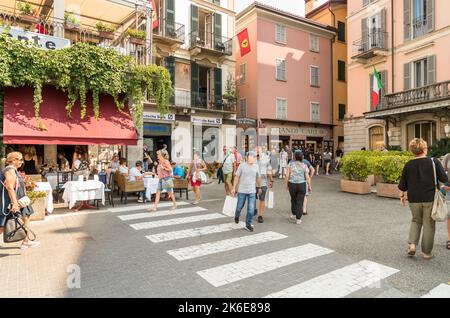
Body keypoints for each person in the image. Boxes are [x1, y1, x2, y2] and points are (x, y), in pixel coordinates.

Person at [398, 138, 448, 260]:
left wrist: (402, 195)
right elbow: (445, 179)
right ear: (424, 149)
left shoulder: (408, 164)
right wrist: (442, 189)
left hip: (414, 199)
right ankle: (426, 253)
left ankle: (412, 245)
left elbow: (402, 185)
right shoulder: (433, 161)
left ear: (412, 150)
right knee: (429, 224)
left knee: (415, 220)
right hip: (429, 198)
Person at [0, 152, 40, 249]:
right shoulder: (10, 170)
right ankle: (25, 242)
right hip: (13, 201)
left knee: (25, 217)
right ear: (13, 160)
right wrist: (14, 203)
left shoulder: (13, 170)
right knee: (3, 224)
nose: (22, 162)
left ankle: (25, 241)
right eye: (20, 159)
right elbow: (9, 187)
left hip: (19, 200)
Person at [231, 151, 262, 232]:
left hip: (252, 191)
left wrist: (259, 187)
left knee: (251, 209)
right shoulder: (242, 166)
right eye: (252, 157)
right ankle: (237, 215)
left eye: (255, 157)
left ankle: (248, 224)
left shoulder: (256, 166)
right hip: (242, 190)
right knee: (239, 207)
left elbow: (258, 178)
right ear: (247, 157)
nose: (254, 158)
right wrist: (234, 187)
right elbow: (237, 177)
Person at [285, 151, 312, 225]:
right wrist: (309, 186)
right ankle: (298, 219)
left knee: (293, 199)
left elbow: (287, 175)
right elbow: (307, 177)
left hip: (292, 184)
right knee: (300, 202)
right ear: (302, 157)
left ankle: (293, 214)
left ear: (295, 157)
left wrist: (286, 185)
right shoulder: (305, 165)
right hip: (302, 185)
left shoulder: (290, 164)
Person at [255, 147, 272, 223]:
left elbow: (269, 169)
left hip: (263, 182)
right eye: (256, 151)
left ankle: (260, 215)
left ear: (262, 152)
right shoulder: (252, 158)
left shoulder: (266, 159)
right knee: (252, 198)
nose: (257, 152)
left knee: (262, 199)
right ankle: (253, 209)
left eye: (259, 151)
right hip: (252, 183)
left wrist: (271, 179)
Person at [438, 152, 450, 250]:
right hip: (449, 190)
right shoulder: (448, 156)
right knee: (449, 216)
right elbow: (441, 173)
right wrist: (442, 186)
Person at [299, 150, 315, 216]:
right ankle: (304, 210)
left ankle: (297, 209)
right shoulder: (305, 162)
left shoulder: (292, 162)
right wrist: (310, 177)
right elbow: (313, 170)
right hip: (304, 180)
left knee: (296, 196)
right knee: (304, 195)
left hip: (294, 182)